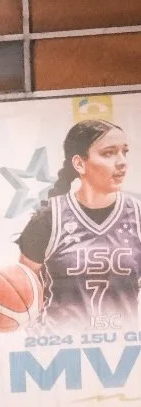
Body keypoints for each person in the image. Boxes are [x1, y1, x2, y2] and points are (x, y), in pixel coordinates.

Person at [15, 120, 141, 331]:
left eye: (124, 152)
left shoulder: (137, 216)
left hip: (124, 348)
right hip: (61, 349)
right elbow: (21, 288)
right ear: (79, 164)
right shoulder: (48, 219)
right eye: (109, 153)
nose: (122, 162)